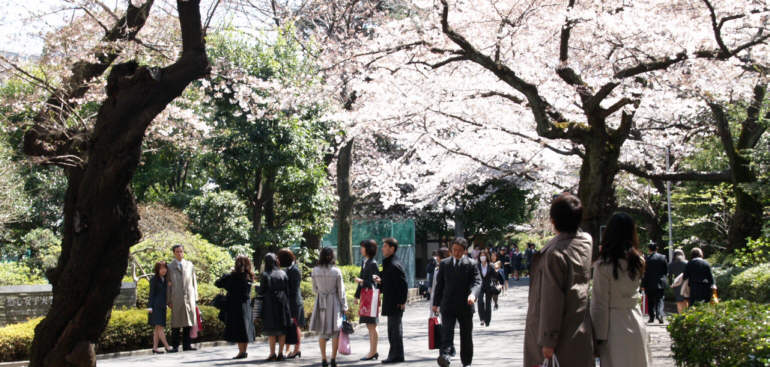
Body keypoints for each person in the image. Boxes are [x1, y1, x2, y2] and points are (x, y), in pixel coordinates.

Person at [523, 193, 593, 367]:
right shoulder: (586, 242)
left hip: (557, 337)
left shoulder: (555, 254)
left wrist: (548, 340)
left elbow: (551, 299)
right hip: (579, 329)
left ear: (553, 221)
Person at [591, 212, 651, 367]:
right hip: (636, 320)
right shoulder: (638, 261)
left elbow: (599, 304)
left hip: (613, 327)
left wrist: (597, 337)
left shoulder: (603, 266)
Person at [432, 237, 482, 367]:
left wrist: (473, 294)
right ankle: (445, 356)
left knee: (466, 335)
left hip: (466, 305)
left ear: (465, 251)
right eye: (454, 250)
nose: (456, 253)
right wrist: (435, 304)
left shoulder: (472, 264)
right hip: (448, 305)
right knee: (446, 333)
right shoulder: (444, 263)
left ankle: (467, 362)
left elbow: (477, 282)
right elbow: (440, 285)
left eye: (459, 250)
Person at [309, 247, 348, 367]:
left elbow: (314, 289)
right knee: (335, 332)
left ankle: (323, 359)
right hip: (334, 302)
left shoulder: (315, 270)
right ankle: (333, 359)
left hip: (321, 301)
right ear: (332, 257)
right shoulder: (336, 271)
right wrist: (344, 306)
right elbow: (341, 291)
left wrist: (321, 292)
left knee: (322, 332)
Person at [374, 237, 408, 364]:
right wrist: (380, 281)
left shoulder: (394, 264)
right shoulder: (390, 263)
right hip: (391, 300)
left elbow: (403, 284)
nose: (382, 249)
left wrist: (402, 301)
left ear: (392, 249)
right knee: (392, 329)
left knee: (395, 330)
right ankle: (396, 354)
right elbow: (389, 281)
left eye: (385, 246)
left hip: (395, 302)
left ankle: (396, 355)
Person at [214, 255, 256, 359]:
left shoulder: (232, 276)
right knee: (245, 328)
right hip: (246, 305)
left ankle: (241, 352)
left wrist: (228, 273)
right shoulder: (249, 276)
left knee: (238, 329)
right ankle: (244, 351)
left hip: (235, 306)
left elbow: (218, 283)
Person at [258, 252, 293, 361]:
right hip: (283, 303)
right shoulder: (283, 273)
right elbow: (288, 290)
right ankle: (280, 353)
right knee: (282, 329)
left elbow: (262, 290)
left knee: (271, 330)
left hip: (270, 304)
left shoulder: (265, 274)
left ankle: (272, 353)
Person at [167, 244, 198, 352]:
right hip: (176, 297)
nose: (179, 253)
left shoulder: (189, 265)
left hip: (189, 297)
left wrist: (195, 297)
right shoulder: (170, 266)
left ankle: (187, 345)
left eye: (181, 251)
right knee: (175, 324)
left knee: (188, 322)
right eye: (177, 251)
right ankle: (175, 346)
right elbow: (168, 285)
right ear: (174, 253)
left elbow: (194, 281)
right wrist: (168, 300)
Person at [355, 239, 381, 361]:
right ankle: (372, 351)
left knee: (372, 325)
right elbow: (362, 279)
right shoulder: (364, 262)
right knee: (369, 325)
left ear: (368, 249)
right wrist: (356, 295)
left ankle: (373, 352)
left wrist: (362, 282)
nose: (361, 249)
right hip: (366, 297)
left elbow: (374, 283)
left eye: (363, 247)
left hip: (371, 297)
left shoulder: (373, 263)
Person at [278, 248, 304, 359]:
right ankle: (288, 350)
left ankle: (297, 349)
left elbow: (294, 289)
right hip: (289, 302)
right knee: (289, 326)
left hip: (294, 303)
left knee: (296, 326)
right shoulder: (288, 269)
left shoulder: (294, 270)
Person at [147, 261, 172, 354]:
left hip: (162, 306)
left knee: (157, 329)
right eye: (161, 268)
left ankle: (155, 348)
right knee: (160, 327)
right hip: (155, 306)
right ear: (157, 269)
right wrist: (150, 307)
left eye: (165, 268)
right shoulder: (154, 279)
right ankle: (167, 347)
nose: (164, 270)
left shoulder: (165, 280)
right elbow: (151, 294)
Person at [641, 242, 668, 323]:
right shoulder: (663, 257)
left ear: (649, 249)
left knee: (650, 300)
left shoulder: (646, 259)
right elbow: (665, 270)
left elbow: (644, 272)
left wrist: (643, 284)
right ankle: (659, 314)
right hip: (660, 282)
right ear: (657, 248)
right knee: (659, 300)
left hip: (649, 282)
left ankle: (651, 317)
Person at [476, 249, 496, 326]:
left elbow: (495, 276)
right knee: (480, 301)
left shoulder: (490, 265)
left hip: (488, 286)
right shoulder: (477, 265)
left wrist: (498, 283)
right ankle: (482, 319)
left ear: (486, 257)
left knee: (488, 304)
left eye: (484, 255)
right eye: (481, 256)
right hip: (480, 286)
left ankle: (487, 320)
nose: (482, 257)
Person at [669, 249, 688, 313]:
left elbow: (670, 275)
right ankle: (686, 316)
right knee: (685, 300)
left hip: (676, 284)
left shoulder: (671, 264)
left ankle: (680, 315)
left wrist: (671, 284)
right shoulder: (686, 263)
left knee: (679, 301)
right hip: (685, 284)